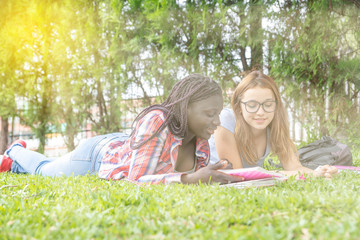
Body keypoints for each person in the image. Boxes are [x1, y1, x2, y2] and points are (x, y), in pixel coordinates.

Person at [0, 74, 244, 184]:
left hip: (128, 144)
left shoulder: (200, 138)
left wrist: (218, 176)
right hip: (97, 155)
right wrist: (190, 179)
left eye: (217, 113)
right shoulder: (158, 121)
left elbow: (198, 177)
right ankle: (15, 152)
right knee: (45, 170)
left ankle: (12, 164)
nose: (217, 122)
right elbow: (136, 180)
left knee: (53, 162)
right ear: (186, 108)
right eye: (209, 114)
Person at [208, 70, 338, 178]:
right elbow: (238, 175)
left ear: (276, 105)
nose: (261, 112)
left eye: (268, 105)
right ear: (238, 107)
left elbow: (295, 167)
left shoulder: (273, 126)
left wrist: (318, 172)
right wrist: (275, 173)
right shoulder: (226, 120)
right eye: (252, 105)